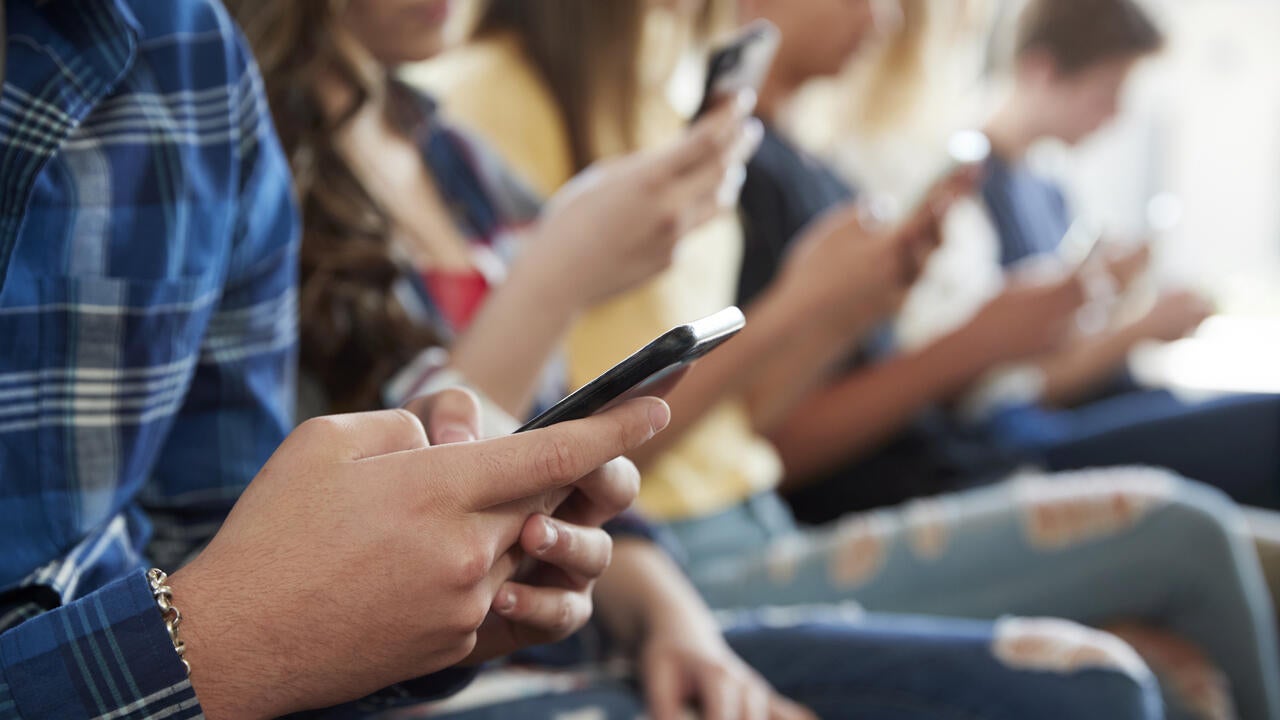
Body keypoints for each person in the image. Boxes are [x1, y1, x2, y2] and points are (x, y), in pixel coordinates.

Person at [243, 1, 1172, 718]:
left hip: (634, 569)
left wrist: (842, 310)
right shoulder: (417, 124)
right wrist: (574, 278)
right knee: (1148, 598)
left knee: (1127, 654)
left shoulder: (460, 152)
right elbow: (460, 480)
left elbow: (571, 442)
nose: (882, 20)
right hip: (595, 582)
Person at [0, 1, 668, 717]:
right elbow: (241, 607)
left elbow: (220, 541)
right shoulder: (286, 136)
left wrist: (408, 596)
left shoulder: (194, 59)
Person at [968, 0, 1280, 505]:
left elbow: (1062, 339)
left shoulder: (1047, 192)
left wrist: (1115, 297)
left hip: (1087, 402)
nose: (1116, 114)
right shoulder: (968, 191)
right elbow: (1009, 384)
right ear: (1041, 70)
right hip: (1029, 434)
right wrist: (1138, 328)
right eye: (1107, 92)